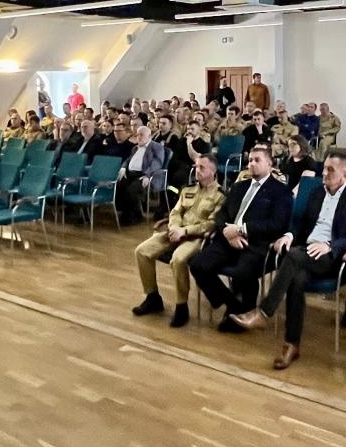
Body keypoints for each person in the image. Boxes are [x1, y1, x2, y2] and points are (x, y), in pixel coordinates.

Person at [233, 152, 346, 369]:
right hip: (305, 253)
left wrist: (330, 246)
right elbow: (301, 224)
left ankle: (264, 312)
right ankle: (291, 344)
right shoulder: (316, 193)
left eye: (330, 170)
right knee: (296, 279)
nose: (324, 173)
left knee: (294, 256)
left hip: (331, 258)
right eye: (324, 168)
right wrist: (289, 235)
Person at [189, 146, 293, 328]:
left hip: (255, 243)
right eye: (250, 160)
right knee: (198, 264)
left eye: (257, 160)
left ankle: (244, 309)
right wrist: (228, 234)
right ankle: (234, 305)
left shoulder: (280, 191)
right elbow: (221, 215)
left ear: (270, 163)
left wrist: (241, 229)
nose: (251, 163)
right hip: (228, 240)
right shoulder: (239, 186)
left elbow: (277, 224)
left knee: (243, 272)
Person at [132, 155, 226, 327]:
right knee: (142, 251)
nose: (197, 170)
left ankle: (182, 306)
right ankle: (153, 297)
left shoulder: (220, 196)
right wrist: (175, 227)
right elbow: (175, 212)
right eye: (196, 166)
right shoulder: (187, 189)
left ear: (213, 171)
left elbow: (211, 224)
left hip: (196, 237)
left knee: (178, 259)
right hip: (175, 232)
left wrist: (184, 231)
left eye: (202, 168)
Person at [115, 124, 168, 224]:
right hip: (131, 174)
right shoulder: (135, 148)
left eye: (142, 135)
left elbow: (157, 163)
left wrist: (147, 175)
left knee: (132, 189)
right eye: (138, 134)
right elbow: (128, 159)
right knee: (119, 185)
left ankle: (134, 216)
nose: (139, 137)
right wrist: (123, 167)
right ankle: (127, 212)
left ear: (149, 136)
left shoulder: (156, 147)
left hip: (147, 175)